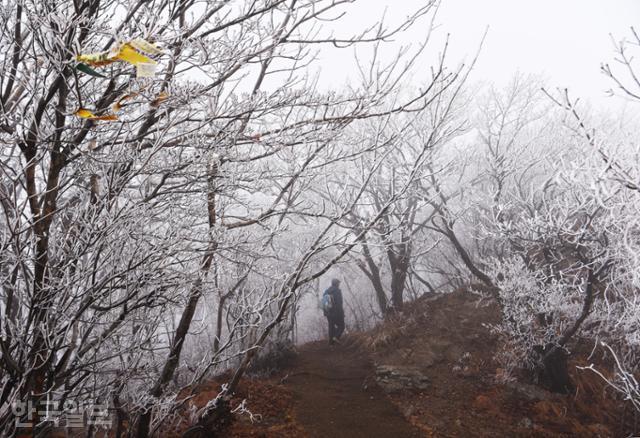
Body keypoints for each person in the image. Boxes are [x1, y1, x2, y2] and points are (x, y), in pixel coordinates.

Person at [323, 278, 345, 345]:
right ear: (336, 284)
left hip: (328, 312)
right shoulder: (337, 291)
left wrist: (326, 313)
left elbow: (323, 303)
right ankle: (336, 337)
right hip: (336, 312)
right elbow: (339, 303)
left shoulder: (326, 291)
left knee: (331, 327)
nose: (339, 284)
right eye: (338, 283)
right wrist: (342, 313)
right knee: (342, 326)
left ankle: (331, 343)